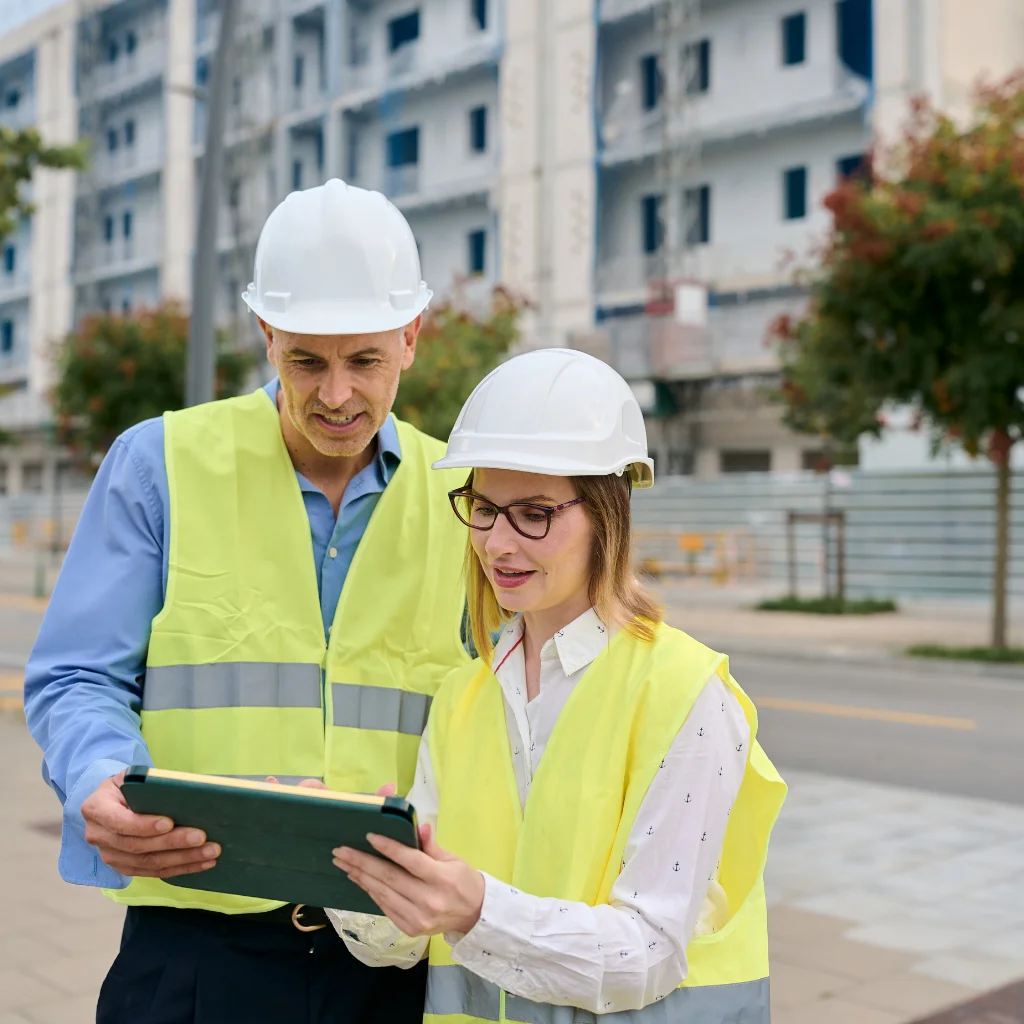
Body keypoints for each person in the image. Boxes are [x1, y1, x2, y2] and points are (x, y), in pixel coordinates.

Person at [23, 179, 471, 1024]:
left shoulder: (462, 499)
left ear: (412, 338)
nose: (336, 395)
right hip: (198, 956)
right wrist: (97, 775)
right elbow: (78, 675)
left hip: (393, 962)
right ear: (267, 336)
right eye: (307, 359)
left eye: (365, 360)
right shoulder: (159, 465)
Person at [325, 348, 788, 1023]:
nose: (497, 545)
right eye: (482, 509)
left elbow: (648, 954)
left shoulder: (685, 693)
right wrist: (343, 864)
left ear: (608, 512)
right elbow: (400, 945)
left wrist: (477, 909)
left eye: (534, 514)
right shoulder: (463, 698)